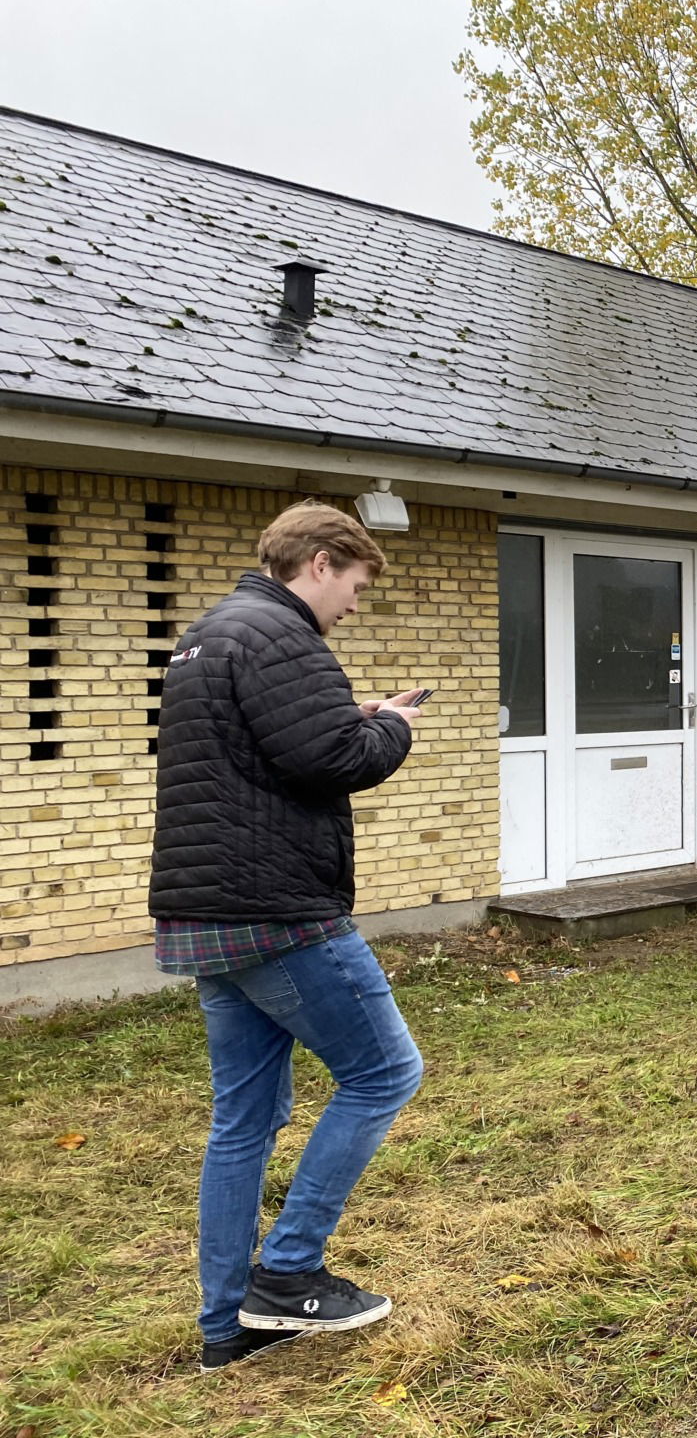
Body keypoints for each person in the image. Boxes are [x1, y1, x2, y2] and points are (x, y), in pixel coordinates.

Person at [150, 500, 427, 1373]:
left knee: (244, 1119)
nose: (352, 603)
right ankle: (290, 1270)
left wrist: (355, 715)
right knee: (385, 1072)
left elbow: (276, 748)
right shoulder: (279, 635)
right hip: (275, 912)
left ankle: (225, 1328)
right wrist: (393, 727)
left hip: (206, 913)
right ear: (317, 562)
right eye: (353, 584)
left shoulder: (208, 636)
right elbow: (333, 761)